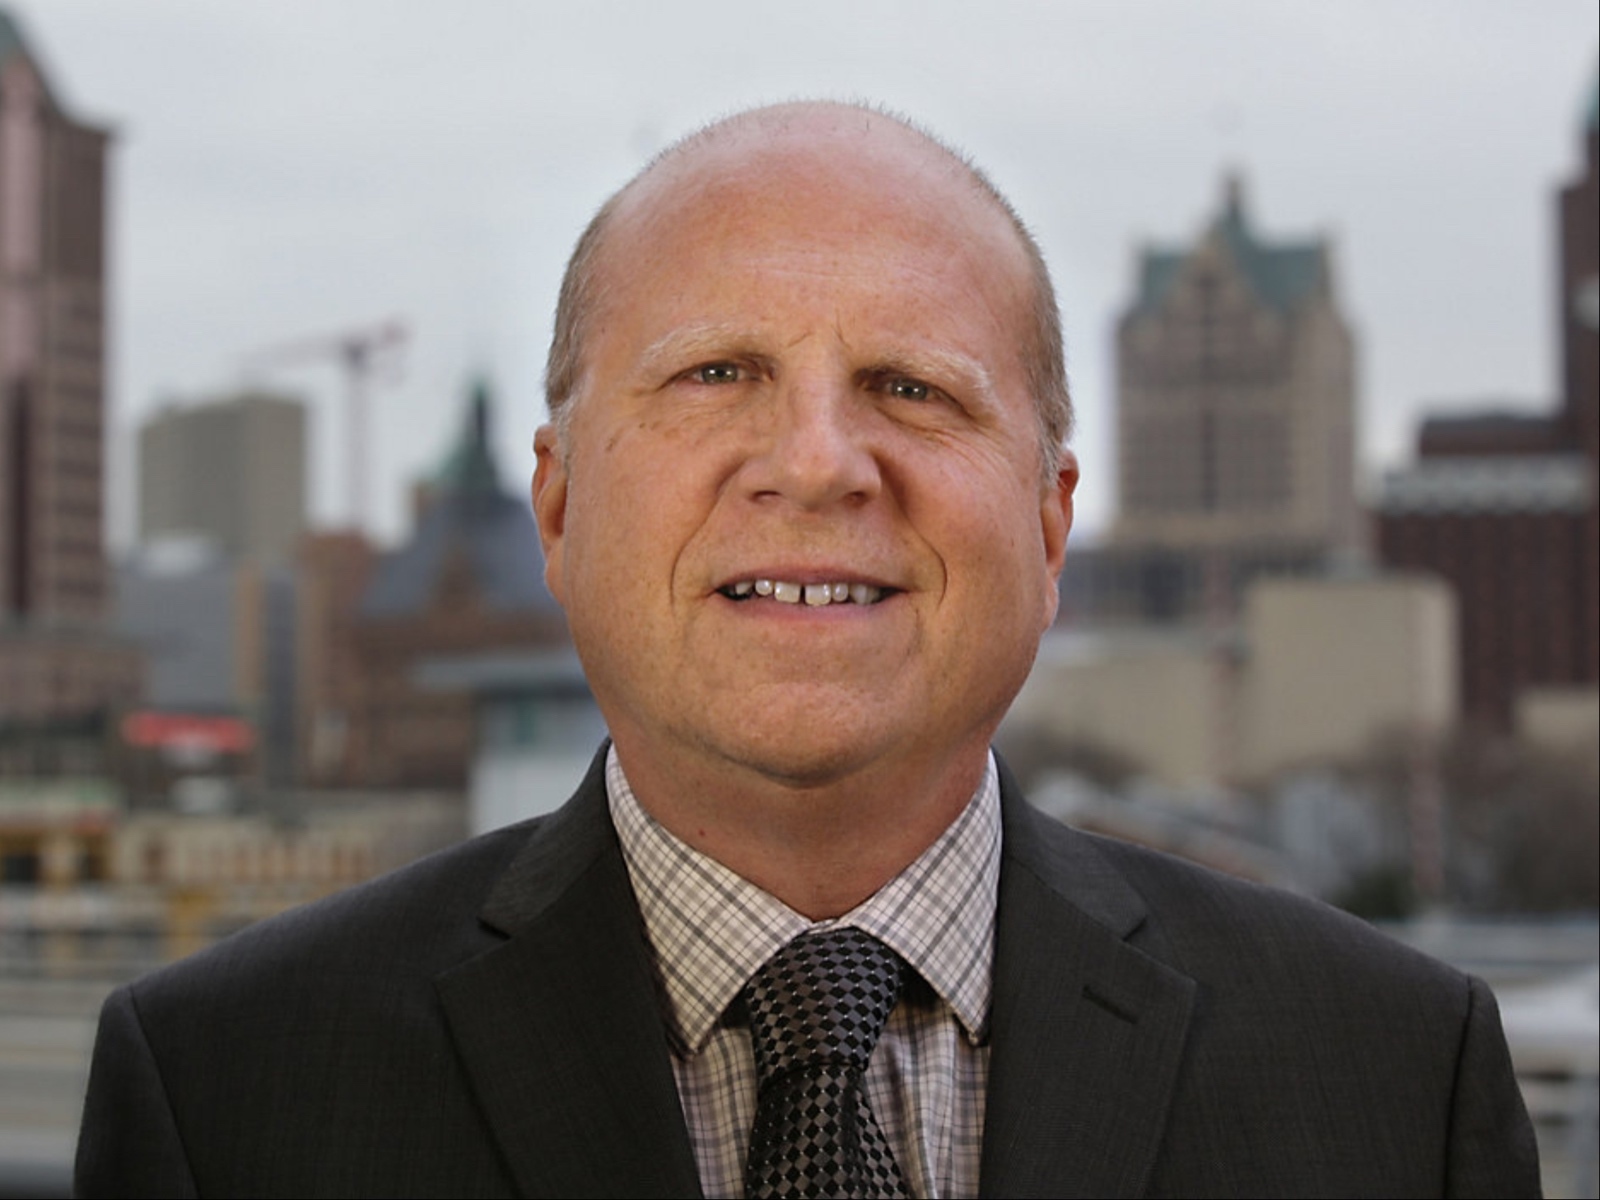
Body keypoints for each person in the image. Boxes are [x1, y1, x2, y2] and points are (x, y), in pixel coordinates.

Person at [76, 102, 1540, 1198]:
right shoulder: (225, 1094)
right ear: (559, 503)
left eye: (912, 387)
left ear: (1049, 528)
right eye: (718, 375)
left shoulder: (1400, 1084)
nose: (821, 463)